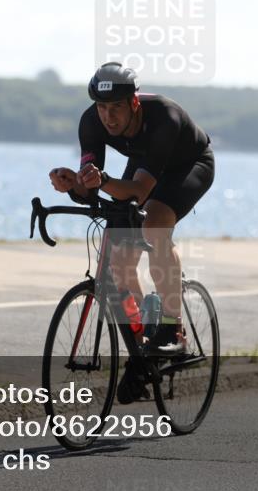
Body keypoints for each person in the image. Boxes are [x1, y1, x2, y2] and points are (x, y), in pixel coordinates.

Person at [48, 62, 214, 402]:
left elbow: (138, 191)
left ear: (133, 103)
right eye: (103, 108)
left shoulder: (163, 117)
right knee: (119, 264)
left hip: (188, 165)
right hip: (144, 166)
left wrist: (105, 181)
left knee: (154, 224)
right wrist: (74, 185)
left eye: (117, 108)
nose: (108, 117)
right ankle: (143, 349)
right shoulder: (91, 121)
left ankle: (171, 326)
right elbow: (91, 186)